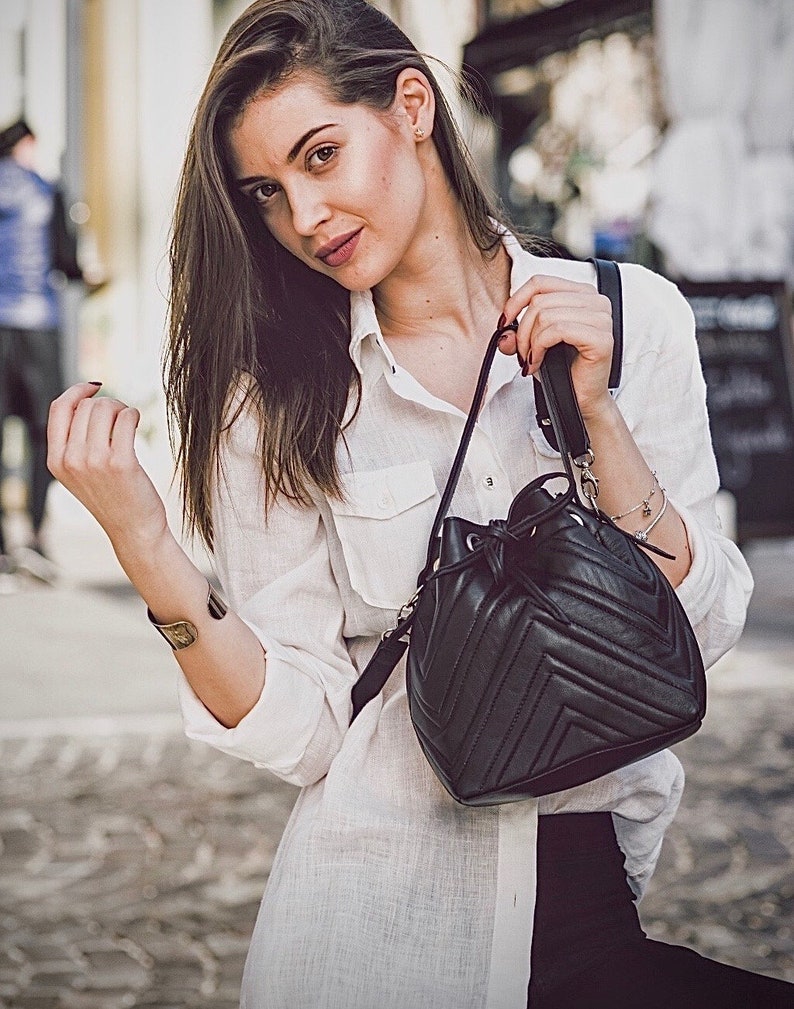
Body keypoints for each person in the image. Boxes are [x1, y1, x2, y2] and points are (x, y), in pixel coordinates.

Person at [46, 2, 792, 1006]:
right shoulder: (273, 399)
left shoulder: (629, 317)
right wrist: (143, 538)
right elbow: (303, 727)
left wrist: (595, 421)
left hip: (592, 899)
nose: (302, 218)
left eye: (320, 157)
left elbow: (700, 634)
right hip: (378, 926)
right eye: (267, 191)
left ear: (408, 106)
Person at [0, 118, 82, 586]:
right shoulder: (44, 189)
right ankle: (33, 536)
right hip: (35, 325)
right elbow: (66, 261)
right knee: (41, 432)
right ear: (26, 145)